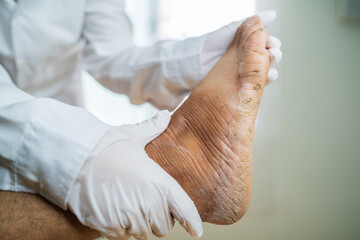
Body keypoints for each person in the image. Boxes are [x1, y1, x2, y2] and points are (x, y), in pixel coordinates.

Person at [0, 0, 282, 239]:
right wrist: (87, 153)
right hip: (55, 133)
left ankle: (170, 161)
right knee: (93, 187)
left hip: (64, 129)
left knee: (89, 189)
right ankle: (168, 163)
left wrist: (198, 58)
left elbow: (112, 56)